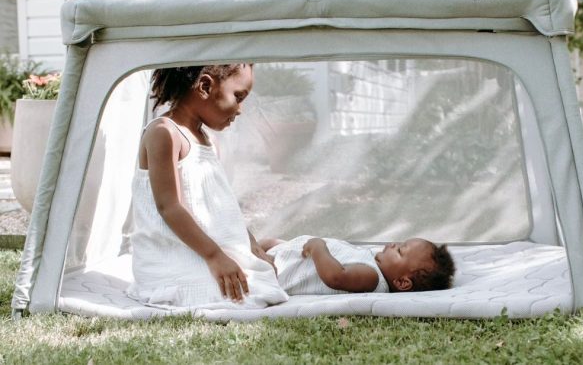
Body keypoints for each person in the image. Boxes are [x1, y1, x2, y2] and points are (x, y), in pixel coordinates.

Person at [127, 64, 288, 308]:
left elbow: (220, 208)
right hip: (171, 257)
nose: (240, 110)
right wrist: (215, 257)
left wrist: (250, 243)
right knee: (247, 292)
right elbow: (169, 207)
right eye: (238, 97)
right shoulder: (164, 133)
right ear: (205, 86)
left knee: (261, 274)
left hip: (202, 249)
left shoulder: (205, 139)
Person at [260, 235, 455, 295]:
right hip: (285, 255)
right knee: (262, 241)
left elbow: (336, 276)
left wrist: (319, 247)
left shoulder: (372, 277)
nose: (394, 244)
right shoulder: (371, 261)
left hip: (277, 273)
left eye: (400, 251)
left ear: (402, 282)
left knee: (243, 238)